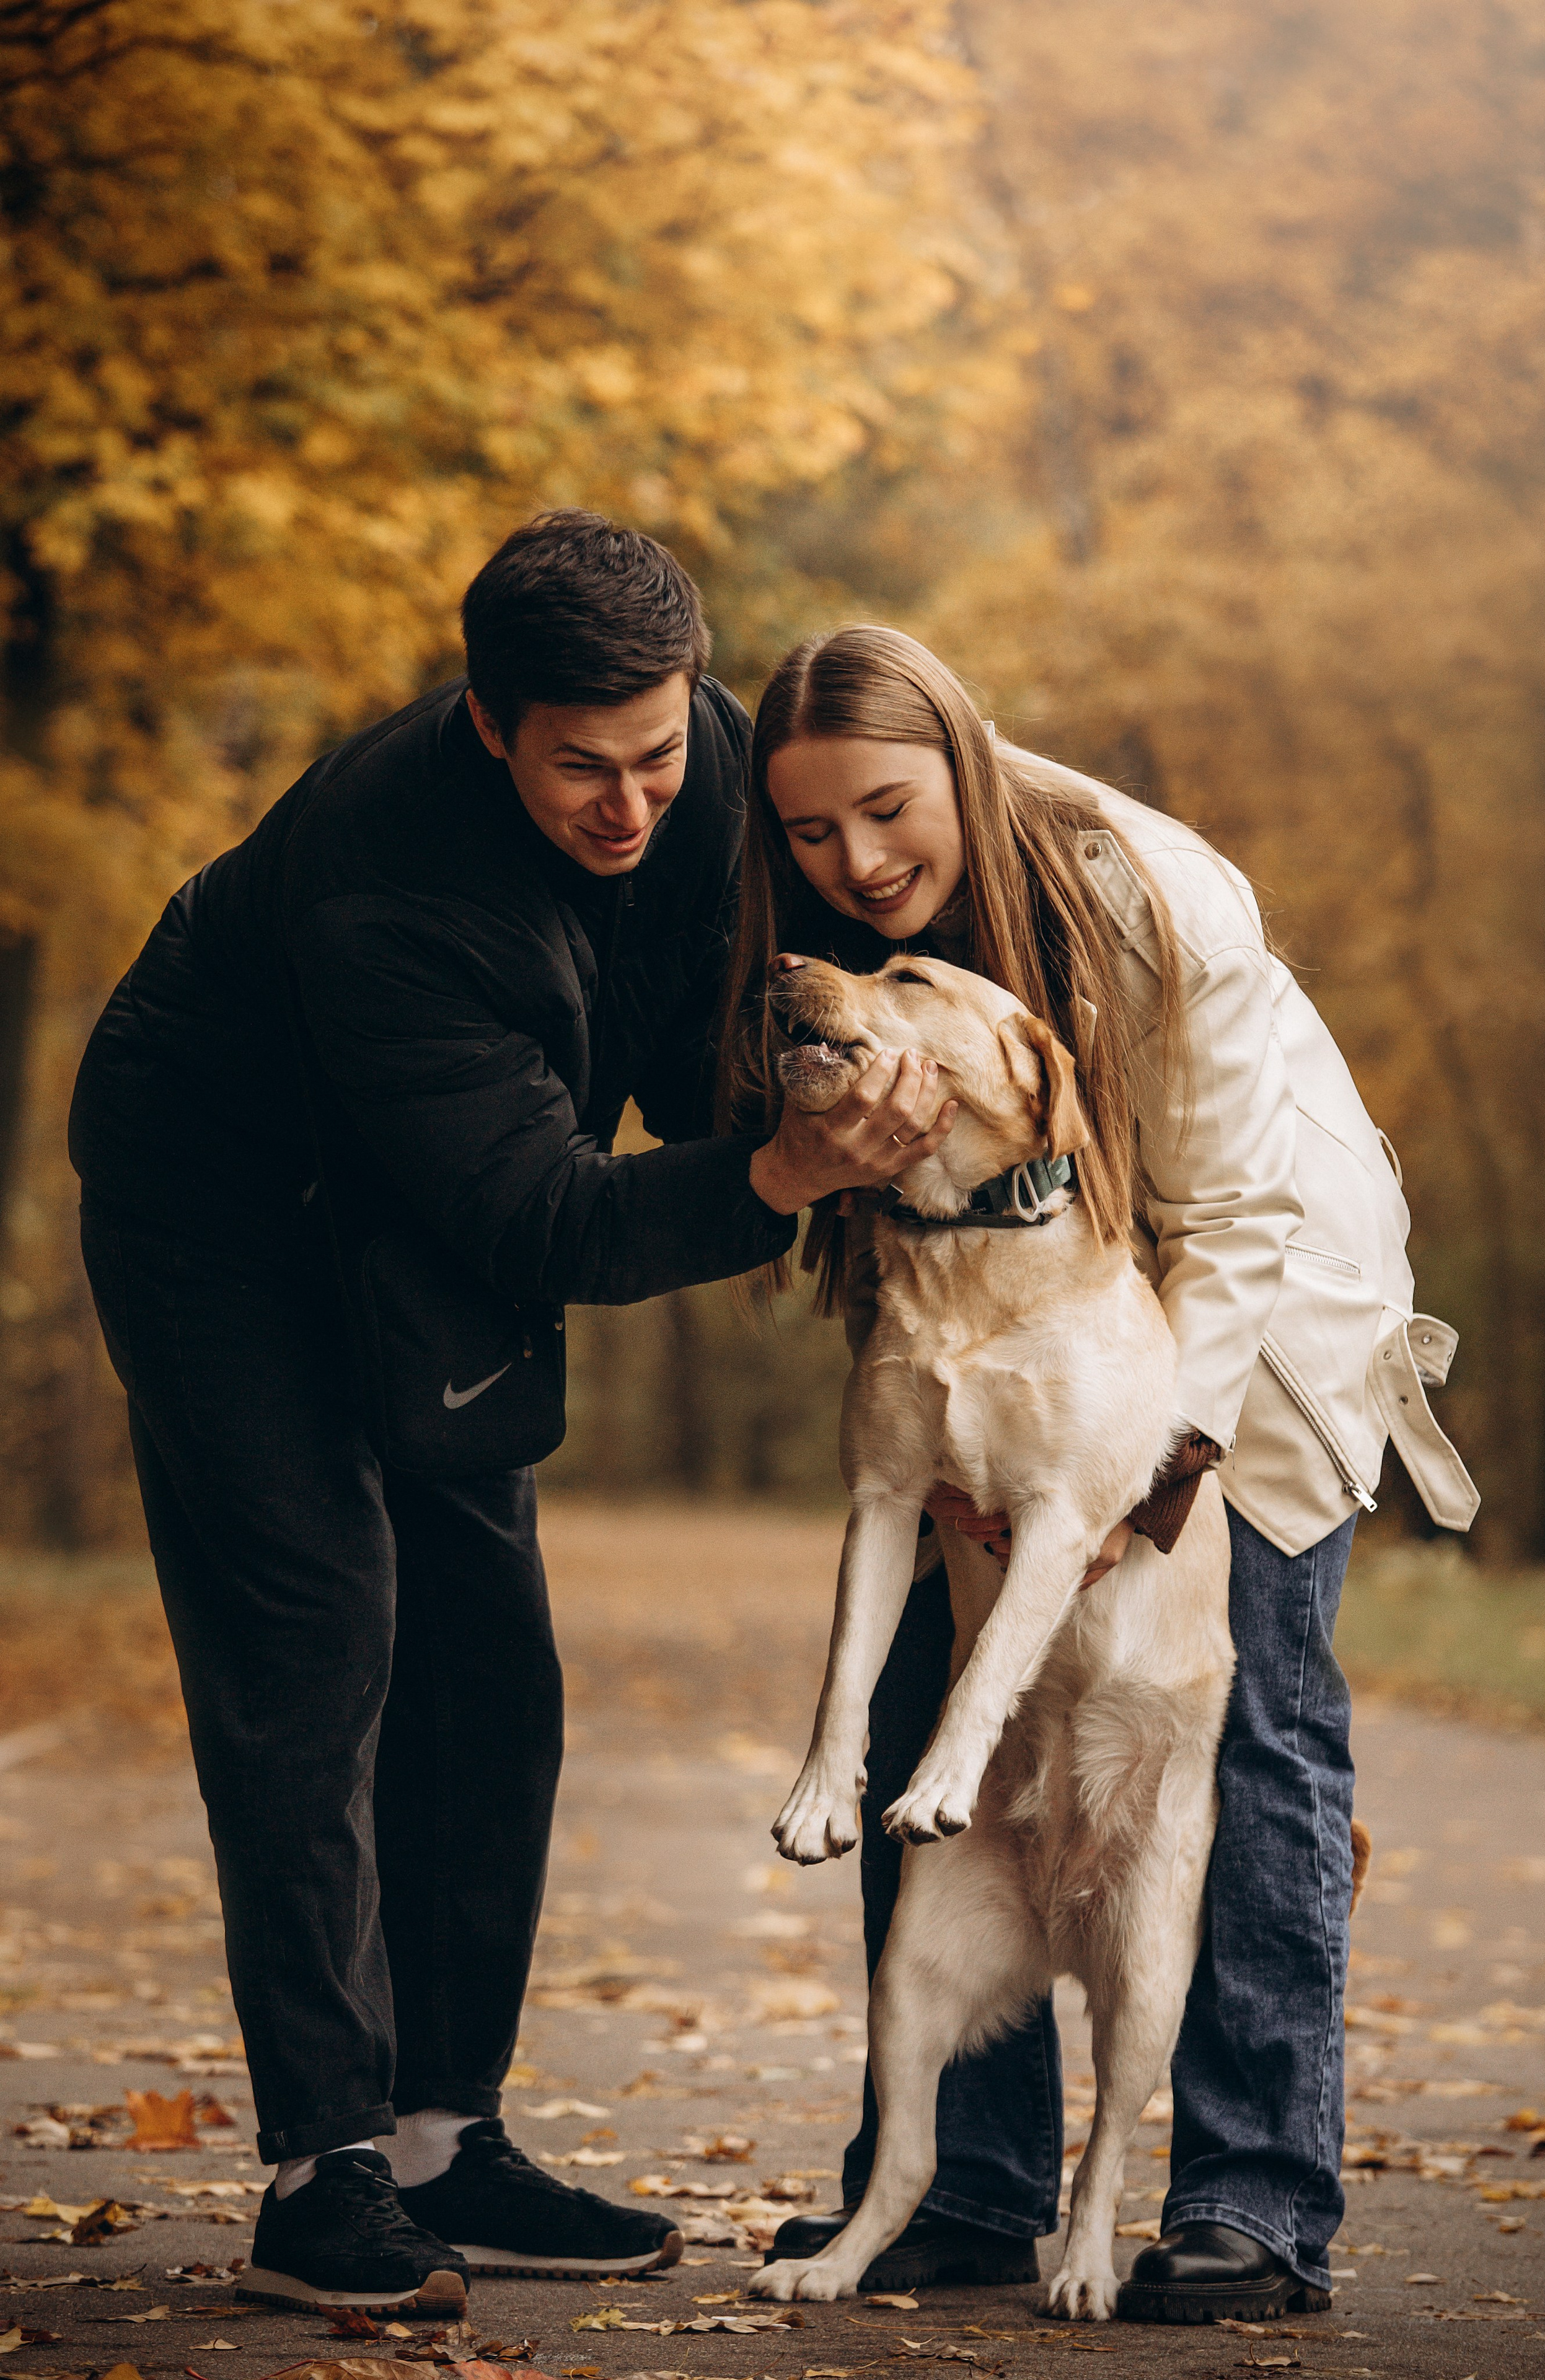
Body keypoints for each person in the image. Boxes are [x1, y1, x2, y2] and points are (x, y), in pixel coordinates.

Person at [67, 519, 959, 2313]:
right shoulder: (387, 885)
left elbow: (697, 1023)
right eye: (580, 769)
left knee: (489, 1658)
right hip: (222, 1209)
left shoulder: (712, 762)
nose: (632, 804)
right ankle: (324, 2171)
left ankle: (441, 2140)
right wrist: (785, 1171)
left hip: (441, 1184)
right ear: (489, 724)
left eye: (657, 754)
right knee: (318, 1641)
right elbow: (548, 1219)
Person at [720, 625, 1476, 2324]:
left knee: (1246, 1710)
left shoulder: (1155, 896)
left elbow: (1238, 1215)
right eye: (813, 833)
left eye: (889, 811)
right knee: (936, 1703)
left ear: (964, 765)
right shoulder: (853, 951)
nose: (858, 861)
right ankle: (962, 2188)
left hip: (1252, 1315)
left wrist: (1143, 1463)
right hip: (1032, 1313)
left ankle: (1248, 2199)